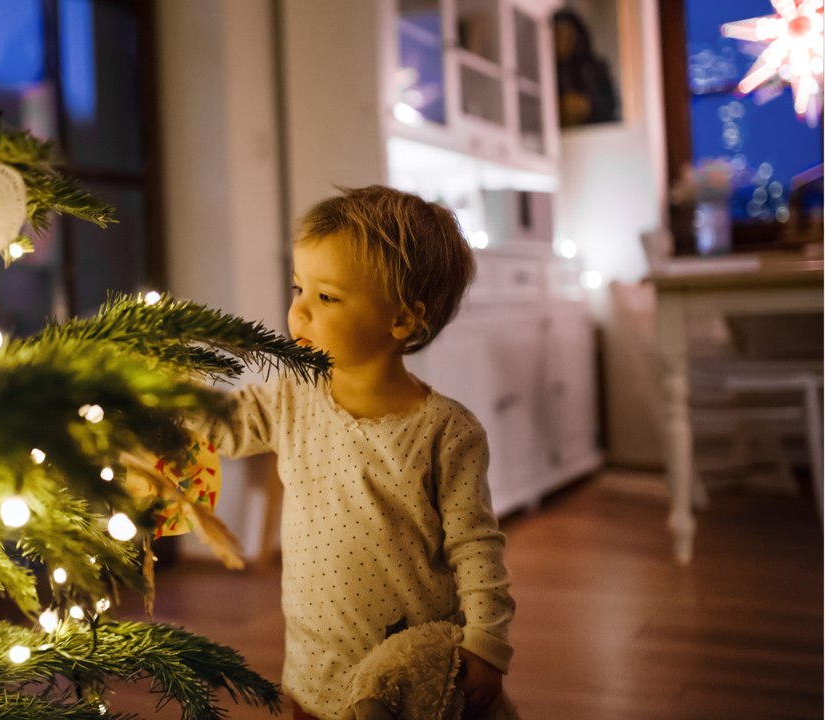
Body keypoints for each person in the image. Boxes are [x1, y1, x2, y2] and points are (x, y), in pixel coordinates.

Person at [198, 186, 515, 720]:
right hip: (311, 662)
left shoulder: (446, 431)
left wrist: (486, 642)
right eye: (298, 287)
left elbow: (476, 545)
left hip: (407, 673)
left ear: (402, 320)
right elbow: (226, 426)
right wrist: (154, 404)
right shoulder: (292, 397)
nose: (298, 310)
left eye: (326, 297)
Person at [553, 8, 619, 127]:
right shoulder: (541, 71)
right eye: (558, 35)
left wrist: (588, 106)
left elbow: (610, 106)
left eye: (568, 36)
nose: (563, 41)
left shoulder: (595, 68)